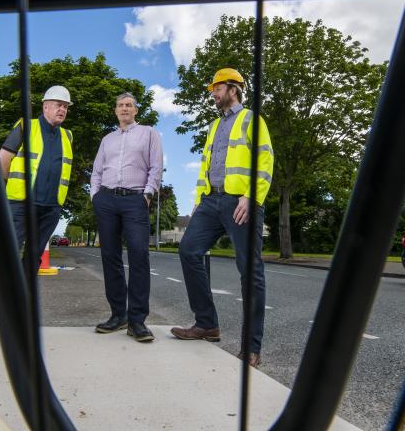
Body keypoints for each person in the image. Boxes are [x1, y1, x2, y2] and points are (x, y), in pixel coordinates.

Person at [170, 68, 273, 368]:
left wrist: (251, 197)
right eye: (212, 89)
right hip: (210, 201)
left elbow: (265, 160)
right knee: (188, 250)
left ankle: (251, 347)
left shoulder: (252, 119)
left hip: (240, 202)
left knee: (249, 270)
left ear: (233, 88)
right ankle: (207, 324)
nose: (212, 93)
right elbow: (207, 165)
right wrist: (200, 200)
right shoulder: (215, 126)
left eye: (216, 88)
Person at [0, 85, 74, 345]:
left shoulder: (68, 136)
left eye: (65, 106)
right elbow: (3, 158)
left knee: (31, 262)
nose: (62, 109)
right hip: (19, 205)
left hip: (50, 209)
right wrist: (7, 191)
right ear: (45, 106)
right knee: (7, 259)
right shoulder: (26, 126)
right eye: (57, 104)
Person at [90, 92, 163, 342]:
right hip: (107, 199)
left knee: (138, 255)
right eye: (120, 105)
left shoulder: (149, 133)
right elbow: (97, 171)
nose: (124, 108)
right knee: (110, 257)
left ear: (135, 110)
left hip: (135, 200)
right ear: (115, 110)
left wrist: (147, 195)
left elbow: (155, 167)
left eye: (129, 105)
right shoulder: (107, 139)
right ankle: (118, 315)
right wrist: (95, 196)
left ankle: (137, 321)